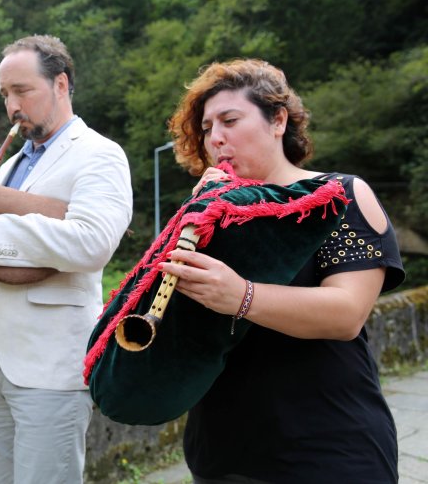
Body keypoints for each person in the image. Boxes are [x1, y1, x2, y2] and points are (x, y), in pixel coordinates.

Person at [158, 59, 405, 483]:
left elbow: (348, 314)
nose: (215, 138)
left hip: (330, 447)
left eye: (230, 120)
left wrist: (242, 295)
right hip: (221, 453)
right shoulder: (206, 216)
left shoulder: (338, 195)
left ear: (278, 120)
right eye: (205, 128)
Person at [0, 35, 133, 483]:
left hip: (50, 365)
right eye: (5, 94)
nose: (12, 106)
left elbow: (92, 242)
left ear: (60, 84)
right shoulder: (9, 167)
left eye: (22, 90)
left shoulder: (100, 154)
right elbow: (9, 253)